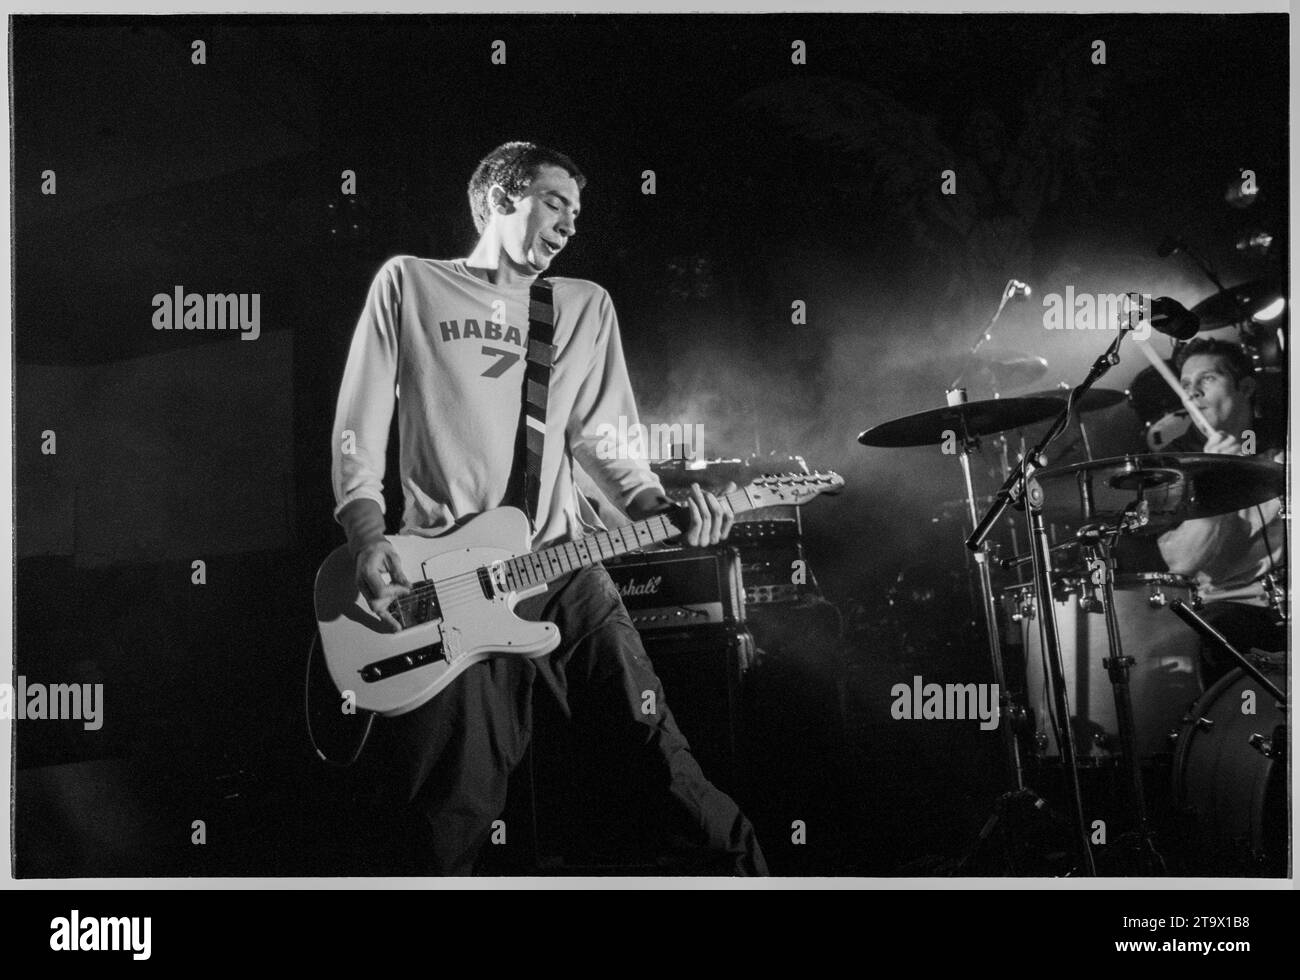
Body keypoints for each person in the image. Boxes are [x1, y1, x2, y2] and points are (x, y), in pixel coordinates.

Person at [330, 141, 767, 875]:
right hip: (445, 586)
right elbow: (359, 421)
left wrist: (659, 505)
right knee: (450, 814)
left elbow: (608, 439)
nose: (570, 223)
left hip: (565, 573)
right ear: (501, 197)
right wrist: (366, 530)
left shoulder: (582, 305)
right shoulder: (410, 283)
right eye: (556, 202)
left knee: (665, 765)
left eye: (577, 211)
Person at [1156, 338, 1287, 688]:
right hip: (1233, 609)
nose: (1193, 393)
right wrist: (1216, 478)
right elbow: (1182, 563)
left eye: (1207, 379)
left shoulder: (1284, 438)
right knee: (1219, 636)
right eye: (1185, 385)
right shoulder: (1173, 463)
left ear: (1245, 387)